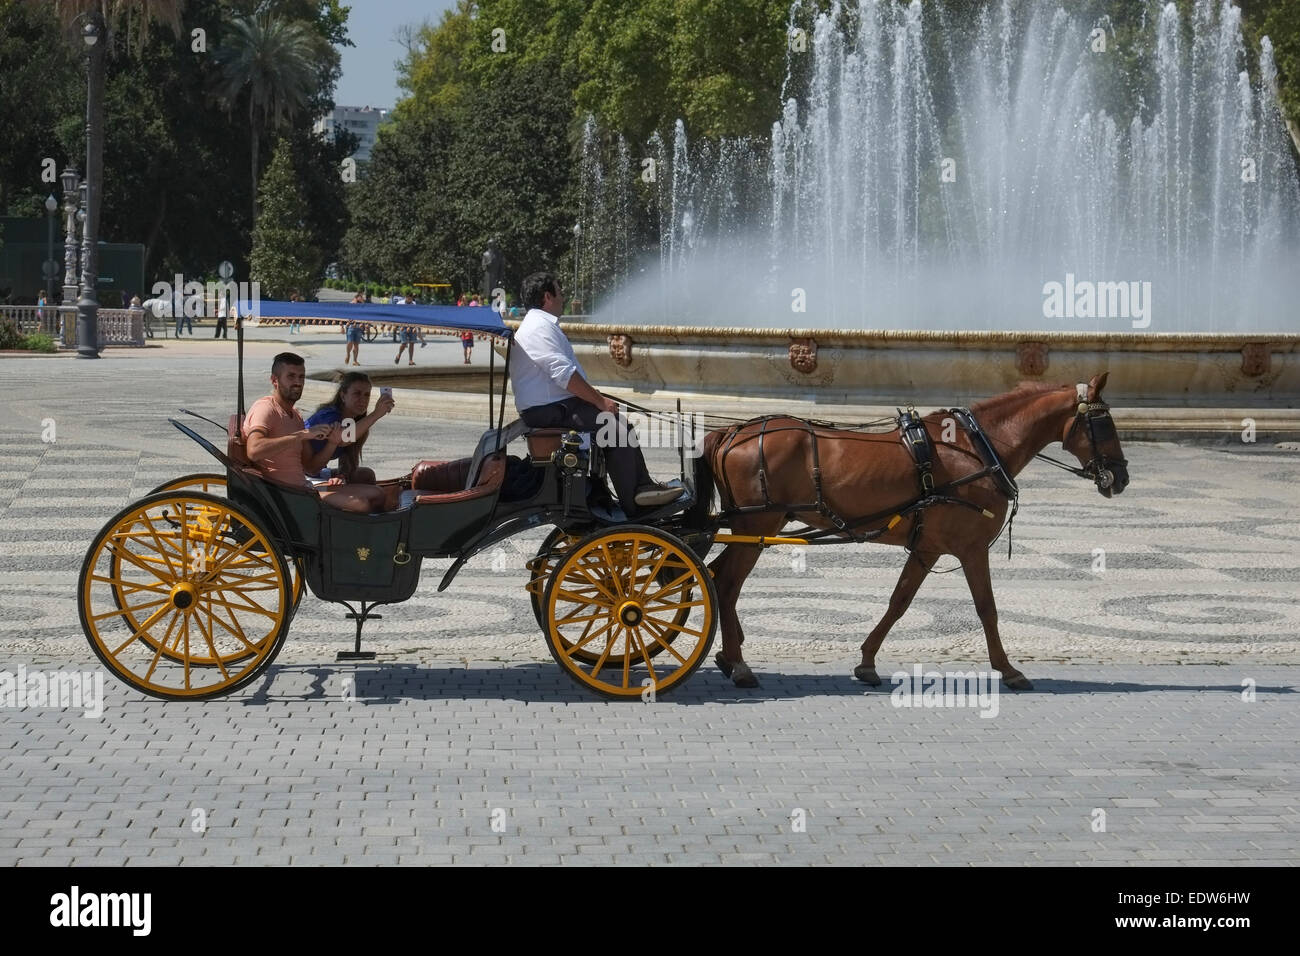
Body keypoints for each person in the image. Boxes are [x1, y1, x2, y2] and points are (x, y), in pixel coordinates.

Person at [510, 271, 682, 512]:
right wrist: (599, 401)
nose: (564, 298)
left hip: (553, 407)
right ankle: (635, 502)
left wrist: (598, 398)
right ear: (547, 297)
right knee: (614, 429)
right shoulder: (539, 327)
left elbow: (563, 376)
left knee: (615, 422)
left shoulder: (537, 325)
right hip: (549, 411)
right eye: (560, 292)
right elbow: (564, 375)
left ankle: (642, 487)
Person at [241, 352, 387, 514]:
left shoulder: (295, 415)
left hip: (304, 484)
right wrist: (302, 435)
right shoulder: (266, 408)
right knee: (361, 504)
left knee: (378, 494)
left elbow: (311, 466)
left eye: (301, 377)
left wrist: (334, 456)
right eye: (291, 376)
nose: (298, 382)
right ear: (275, 381)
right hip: (287, 492)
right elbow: (254, 451)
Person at [304, 371, 395, 484]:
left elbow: (348, 457)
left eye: (367, 395)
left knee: (367, 475)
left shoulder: (352, 421)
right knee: (374, 494)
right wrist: (376, 414)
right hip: (302, 474)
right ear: (343, 395)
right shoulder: (329, 415)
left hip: (316, 472)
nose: (363, 399)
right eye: (357, 393)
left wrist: (342, 475)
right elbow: (343, 439)